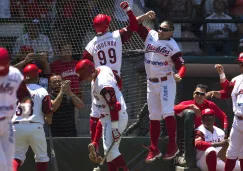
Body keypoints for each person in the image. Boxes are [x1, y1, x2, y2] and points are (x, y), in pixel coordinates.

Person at [82, 1, 138, 164]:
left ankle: (94, 142)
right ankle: (109, 134)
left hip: (97, 78)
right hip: (113, 79)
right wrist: (128, 10)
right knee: (110, 111)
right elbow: (134, 26)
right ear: (107, 25)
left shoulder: (92, 43)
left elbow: (83, 63)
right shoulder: (116, 35)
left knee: (96, 114)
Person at [128, 9, 186, 162]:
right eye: (160, 27)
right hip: (151, 82)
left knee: (167, 113)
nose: (161, 31)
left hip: (166, 81)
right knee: (153, 116)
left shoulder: (173, 46)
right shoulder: (151, 35)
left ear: (171, 32)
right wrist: (145, 16)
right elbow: (134, 24)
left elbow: (182, 65)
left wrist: (180, 74)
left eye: (165, 30)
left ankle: (173, 146)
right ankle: (154, 149)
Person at [75, 59, 129, 171]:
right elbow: (117, 78)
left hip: (115, 117)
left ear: (91, 71)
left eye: (85, 76)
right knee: (110, 153)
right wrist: (94, 141)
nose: (85, 79)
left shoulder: (103, 84)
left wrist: (114, 129)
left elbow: (114, 106)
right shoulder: (102, 69)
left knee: (111, 151)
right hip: (108, 116)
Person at [174, 84, 228, 167]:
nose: (199, 96)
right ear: (193, 94)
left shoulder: (210, 104)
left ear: (206, 96)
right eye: (197, 93)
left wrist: (225, 130)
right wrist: (190, 106)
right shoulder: (188, 103)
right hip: (196, 138)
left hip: (212, 136)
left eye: (202, 94)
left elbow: (223, 116)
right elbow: (173, 109)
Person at [12, 64, 53, 171]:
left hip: (16, 126)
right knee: (42, 157)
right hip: (35, 126)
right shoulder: (41, 90)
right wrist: (49, 117)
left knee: (16, 156)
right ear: (37, 77)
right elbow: (47, 110)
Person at [206, 53, 243, 171]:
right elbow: (227, 91)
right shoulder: (237, 79)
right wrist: (221, 74)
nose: (241, 66)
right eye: (240, 64)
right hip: (238, 121)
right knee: (232, 152)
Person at [0, 47, 31, 171]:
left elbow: (24, 95)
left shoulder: (15, 74)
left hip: (8, 123)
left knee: (8, 162)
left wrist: (26, 108)